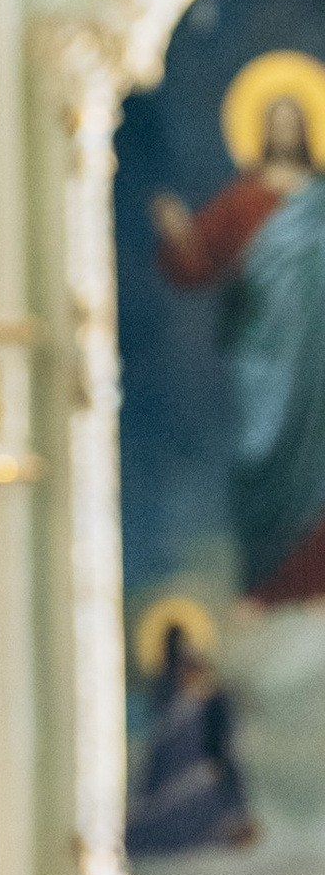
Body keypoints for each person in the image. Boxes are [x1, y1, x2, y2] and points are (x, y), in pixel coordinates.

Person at [152, 78, 325, 603]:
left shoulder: (320, 200)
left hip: (317, 352)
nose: (284, 132)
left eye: (293, 123)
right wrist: (180, 234)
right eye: (275, 124)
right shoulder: (243, 199)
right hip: (262, 355)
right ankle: (266, 585)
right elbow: (199, 261)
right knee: (260, 454)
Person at [124, 613, 258, 857]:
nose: (190, 674)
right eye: (183, 666)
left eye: (195, 666)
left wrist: (238, 811)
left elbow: (224, 750)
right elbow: (154, 744)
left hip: (201, 781)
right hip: (162, 779)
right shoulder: (163, 694)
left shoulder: (215, 701)